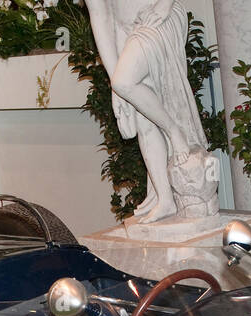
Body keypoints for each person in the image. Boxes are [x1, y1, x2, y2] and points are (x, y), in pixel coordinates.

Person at [85, 0, 216, 223]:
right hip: (124, 32)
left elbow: (121, 81)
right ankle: (165, 198)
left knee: (124, 82)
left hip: (158, 17)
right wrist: (115, 84)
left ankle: (175, 132)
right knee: (142, 116)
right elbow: (102, 18)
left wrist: (164, 5)